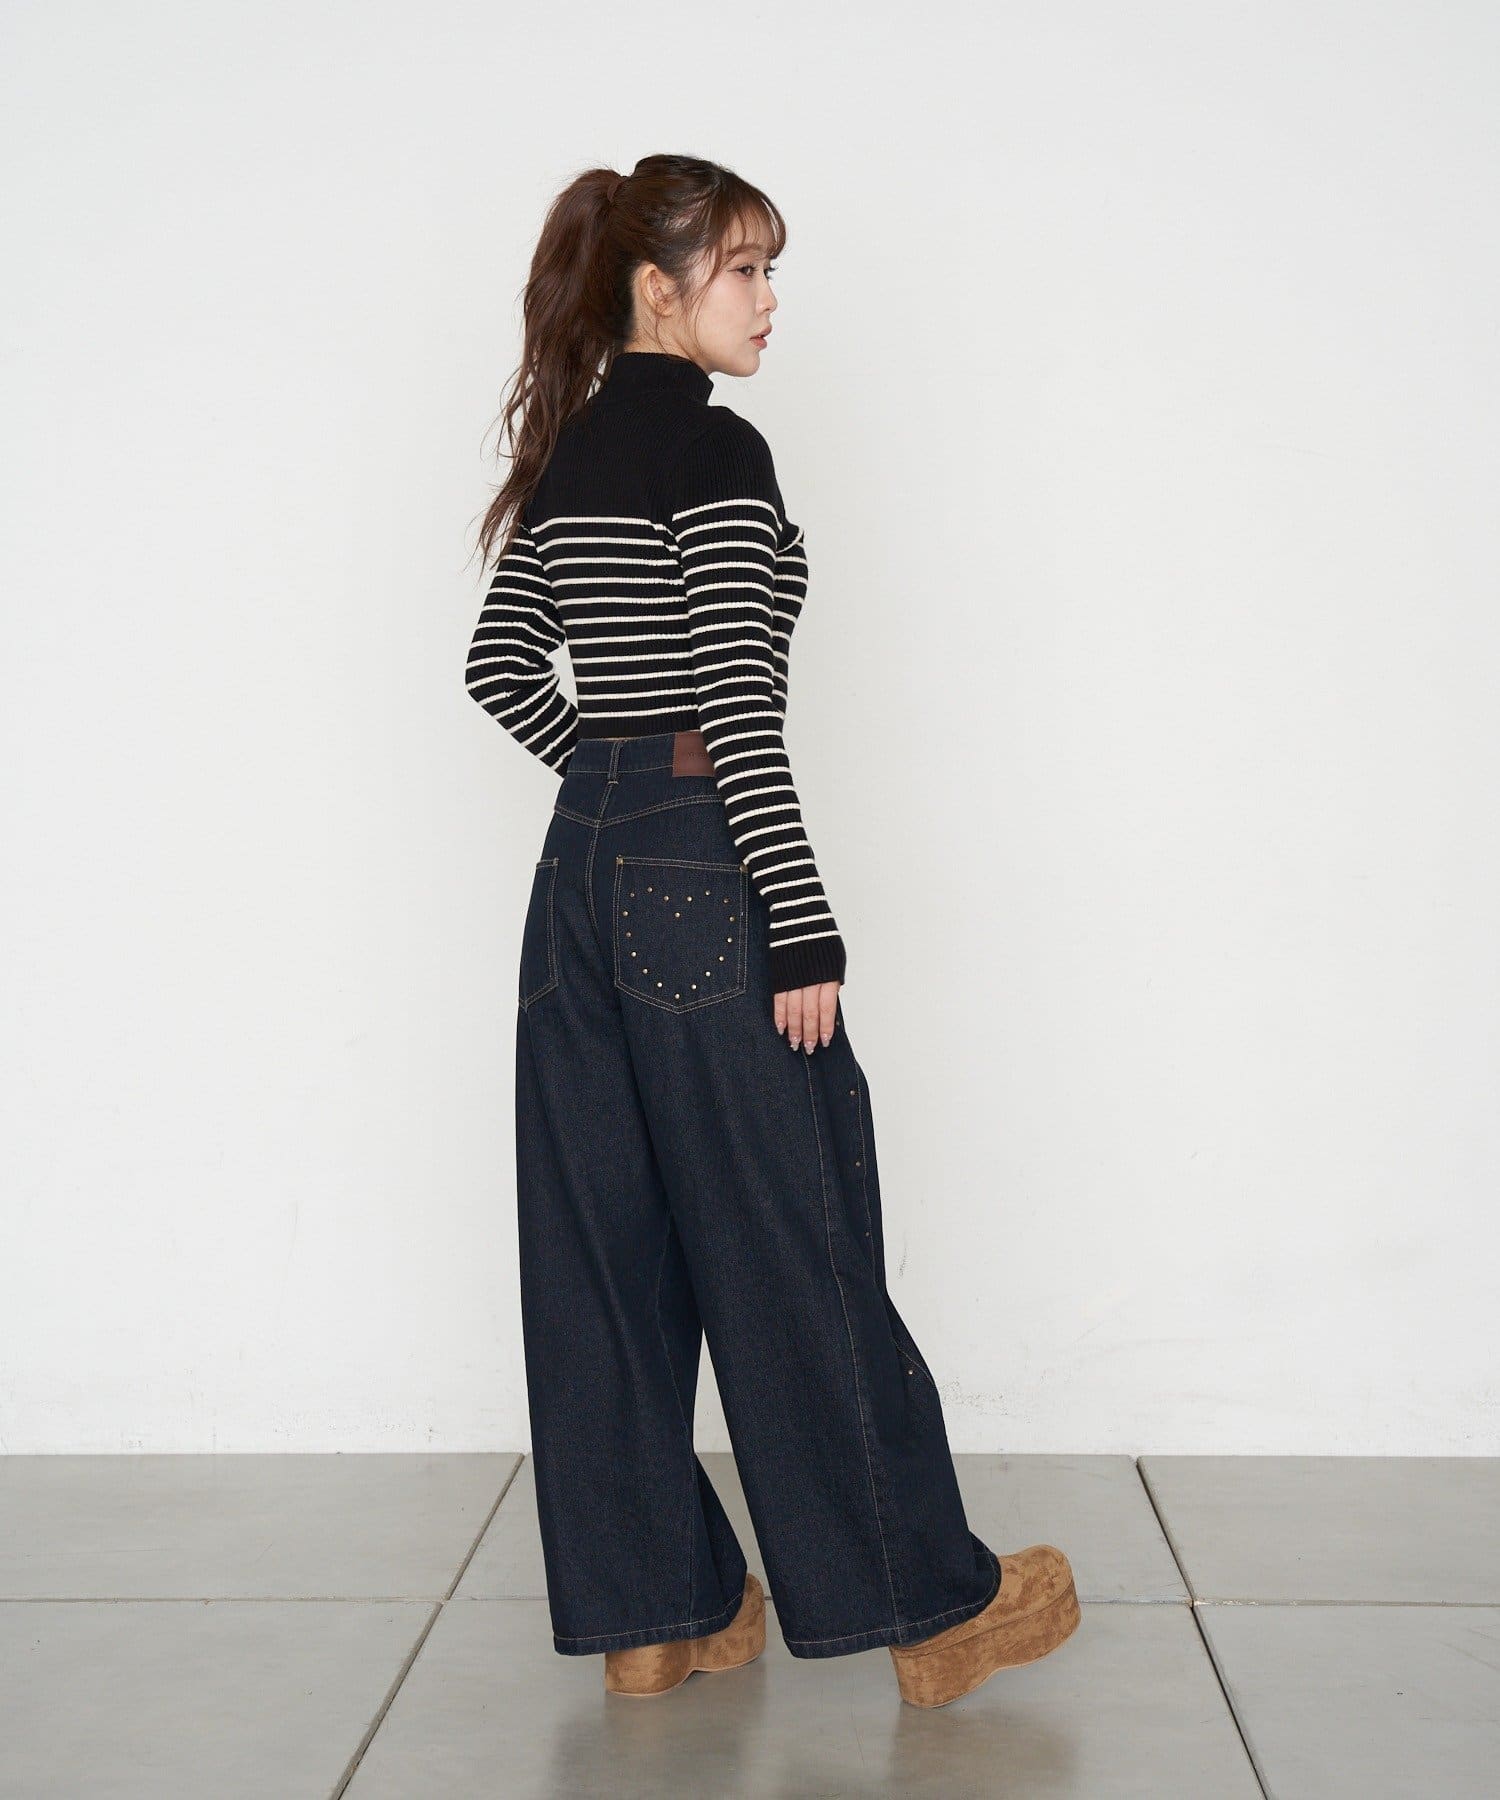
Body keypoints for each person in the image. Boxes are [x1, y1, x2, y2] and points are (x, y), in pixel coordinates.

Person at [464, 152, 1080, 1706]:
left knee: (599, 1255)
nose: (768, 299)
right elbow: (740, 708)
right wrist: (799, 928)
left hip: (576, 881)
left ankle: (654, 1616)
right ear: (658, 287)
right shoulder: (718, 452)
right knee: (787, 1232)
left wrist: (607, 778)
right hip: (703, 875)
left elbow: (498, 669)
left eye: (770, 268)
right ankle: (931, 1611)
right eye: (744, 268)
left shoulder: (569, 455)